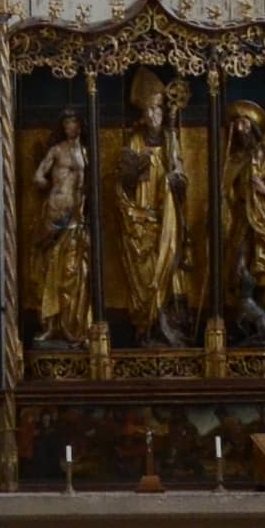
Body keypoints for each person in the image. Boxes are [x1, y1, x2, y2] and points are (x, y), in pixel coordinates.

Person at [102, 69, 190, 345]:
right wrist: (129, 175)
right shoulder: (135, 141)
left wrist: (175, 179)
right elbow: (122, 182)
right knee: (144, 275)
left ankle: (165, 325)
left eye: (157, 110)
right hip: (139, 220)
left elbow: (181, 177)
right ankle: (145, 327)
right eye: (149, 110)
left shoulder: (171, 141)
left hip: (165, 221)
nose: (153, 116)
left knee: (166, 269)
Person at [26, 112, 93, 346]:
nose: (70, 127)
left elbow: (88, 185)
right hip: (54, 213)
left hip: (76, 217)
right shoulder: (56, 150)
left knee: (71, 271)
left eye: (73, 123)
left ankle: (73, 325)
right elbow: (38, 177)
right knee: (48, 269)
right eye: (66, 123)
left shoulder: (86, 152)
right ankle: (49, 324)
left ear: (80, 126)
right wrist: (52, 187)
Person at [223, 102, 265, 341]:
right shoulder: (233, 158)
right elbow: (226, 189)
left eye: (244, 124)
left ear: (254, 128)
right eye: (236, 124)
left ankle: (261, 326)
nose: (240, 129)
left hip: (262, 220)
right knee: (238, 267)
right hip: (241, 219)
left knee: (261, 269)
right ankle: (246, 321)